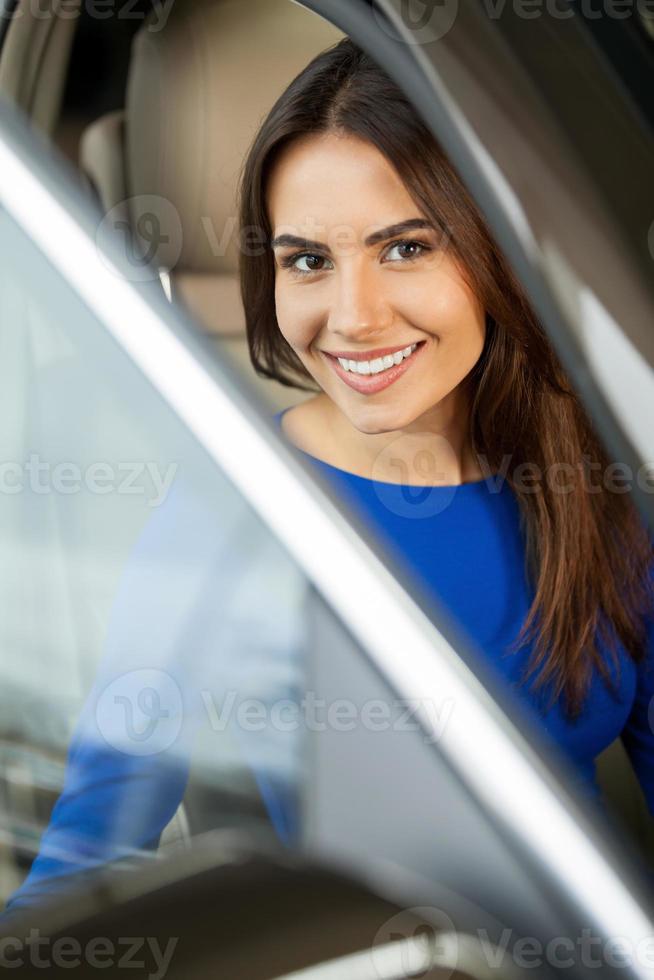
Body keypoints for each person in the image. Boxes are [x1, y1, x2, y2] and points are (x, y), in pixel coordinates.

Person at [5, 35, 653, 913]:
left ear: (496, 248)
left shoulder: (608, 477)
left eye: (407, 249)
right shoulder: (235, 512)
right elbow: (89, 855)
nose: (353, 319)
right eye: (308, 261)